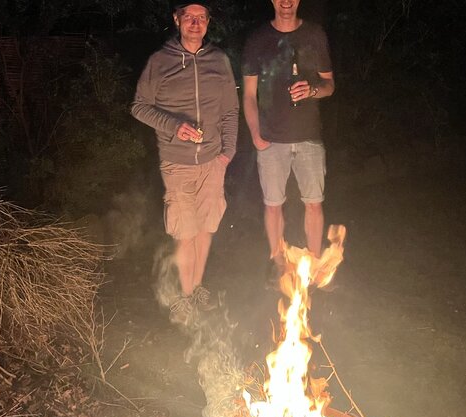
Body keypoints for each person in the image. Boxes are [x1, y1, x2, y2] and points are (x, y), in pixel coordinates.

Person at [131, 1, 239, 323]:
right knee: (184, 231)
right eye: (189, 17)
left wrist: (227, 153)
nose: (195, 23)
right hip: (177, 163)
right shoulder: (159, 61)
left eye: (201, 17)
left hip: (213, 161)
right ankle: (182, 295)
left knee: (206, 228)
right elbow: (139, 107)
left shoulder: (219, 60)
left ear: (208, 22)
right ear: (176, 19)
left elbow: (230, 110)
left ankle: (196, 288)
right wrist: (173, 125)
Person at [242, 0, 335, 286]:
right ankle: (278, 263)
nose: (286, 1)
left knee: (314, 204)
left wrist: (312, 90)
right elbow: (249, 95)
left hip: (309, 136)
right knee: (273, 205)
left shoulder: (314, 35)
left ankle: (314, 265)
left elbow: (329, 85)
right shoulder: (258, 40)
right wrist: (256, 135)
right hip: (271, 139)